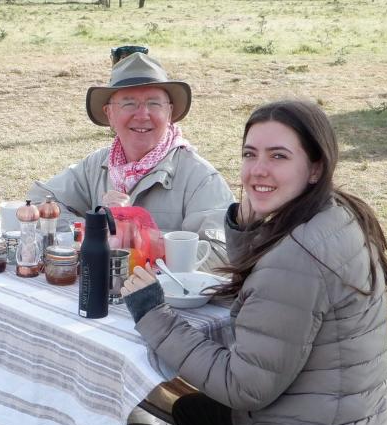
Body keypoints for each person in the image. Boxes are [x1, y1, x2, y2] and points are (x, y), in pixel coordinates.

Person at [120, 100, 387, 425]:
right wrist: (246, 224)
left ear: (315, 166)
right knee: (184, 411)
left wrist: (153, 314)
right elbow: (269, 299)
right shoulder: (335, 216)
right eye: (250, 154)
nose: (258, 170)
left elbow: (243, 387)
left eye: (278, 156)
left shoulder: (298, 257)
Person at [27, 51, 234, 269]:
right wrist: (91, 233)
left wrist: (141, 238)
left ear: (170, 112)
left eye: (154, 103)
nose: (143, 114)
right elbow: (41, 199)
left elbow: (224, 254)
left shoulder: (200, 177)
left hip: (163, 300)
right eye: (129, 104)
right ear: (109, 115)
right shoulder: (97, 164)